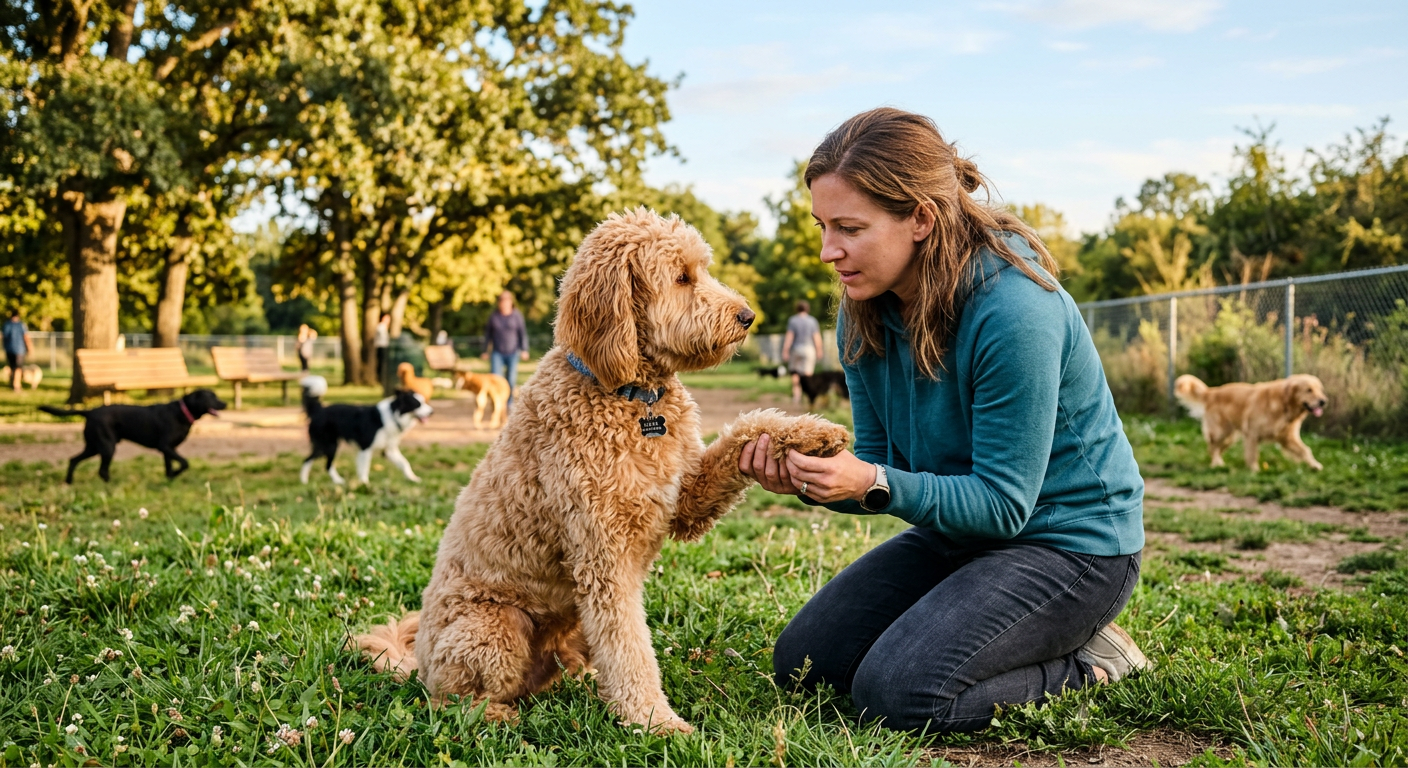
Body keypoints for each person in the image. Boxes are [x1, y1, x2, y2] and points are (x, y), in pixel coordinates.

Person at [738, 108, 1147, 734]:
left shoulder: (1014, 309)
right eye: (822, 226)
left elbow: (1004, 506)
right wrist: (817, 480)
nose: (828, 252)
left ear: (921, 218)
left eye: (849, 227)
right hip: (960, 535)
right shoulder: (863, 309)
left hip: (1070, 547)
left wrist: (872, 481)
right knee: (807, 664)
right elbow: (881, 465)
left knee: (900, 694)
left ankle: (1091, 663)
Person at [482, 291, 529, 405]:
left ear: (511, 302)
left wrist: (524, 349)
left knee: (511, 380)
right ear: (499, 303)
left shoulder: (517, 315)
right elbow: (488, 335)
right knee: (496, 379)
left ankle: (509, 403)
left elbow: (522, 333)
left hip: (513, 352)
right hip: (497, 352)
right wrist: (484, 350)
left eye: (507, 301)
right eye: (502, 301)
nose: (504, 304)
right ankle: (496, 402)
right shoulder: (494, 316)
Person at [783, 300, 824, 404]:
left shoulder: (793, 320)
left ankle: (796, 397)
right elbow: (816, 337)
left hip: (796, 349)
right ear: (807, 309)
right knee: (808, 375)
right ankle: (808, 396)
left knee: (795, 373)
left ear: (797, 309)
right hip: (809, 349)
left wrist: (785, 350)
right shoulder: (812, 321)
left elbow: (789, 337)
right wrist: (819, 350)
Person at [4, 308, 34, 392]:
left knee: (12, 367)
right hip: (19, 350)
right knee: (18, 368)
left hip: (9, 349)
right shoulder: (21, 325)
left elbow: (4, 336)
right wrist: (30, 348)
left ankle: (12, 383)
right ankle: (16, 385)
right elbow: (26, 337)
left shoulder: (7, 324)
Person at [374, 314, 391, 380]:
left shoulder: (384, 327)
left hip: (383, 346)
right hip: (381, 346)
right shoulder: (381, 326)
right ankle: (380, 377)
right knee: (381, 362)